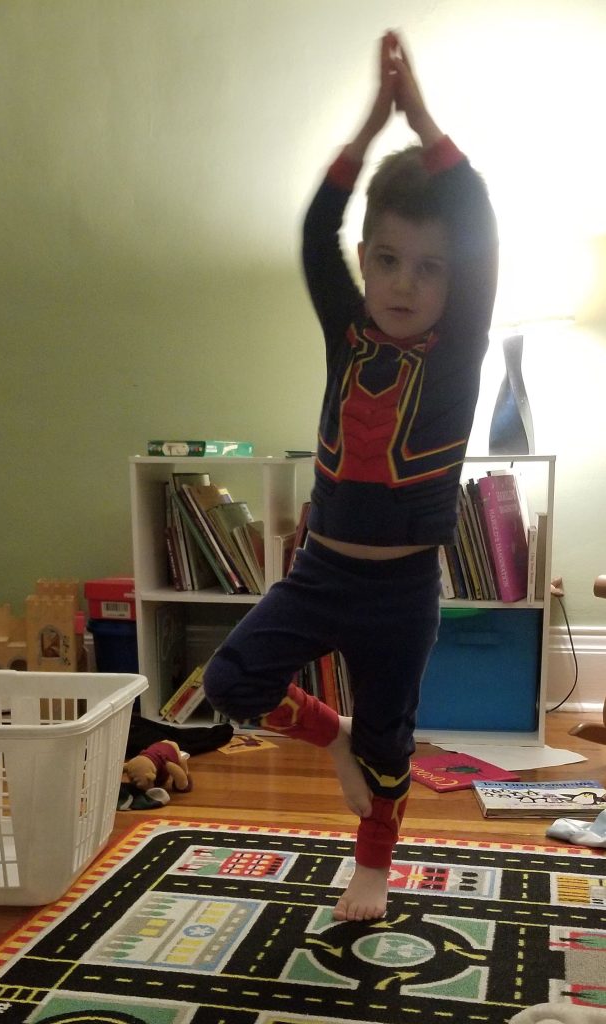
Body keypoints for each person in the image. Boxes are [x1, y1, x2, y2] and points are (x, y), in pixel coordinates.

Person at [203, 29, 498, 922]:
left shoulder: (457, 349)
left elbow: (478, 223)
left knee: (389, 741)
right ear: (365, 258)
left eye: (430, 268)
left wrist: (424, 122)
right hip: (320, 572)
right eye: (388, 260)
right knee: (230, 683)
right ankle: (330, 733)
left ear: (455, 279)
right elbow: (313, 231)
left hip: (402, 590)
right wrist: (369, 128)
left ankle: (371, 864)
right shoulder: (348, 331)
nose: (405, 284)